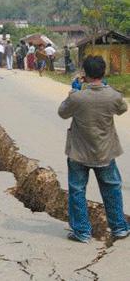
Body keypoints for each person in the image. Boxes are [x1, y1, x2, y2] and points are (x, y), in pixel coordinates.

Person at [58, 56, 129, 243]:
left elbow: (62, 113)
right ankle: (119, 228)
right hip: (105, 152)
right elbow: (122, 108)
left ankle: (82, 232)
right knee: (112, 189)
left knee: (77, 191)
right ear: (103, 72)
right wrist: (106, 88)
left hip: (79, 153)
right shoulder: (113, 95)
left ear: (84, 73)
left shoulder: (77, 97)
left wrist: (73, 91)